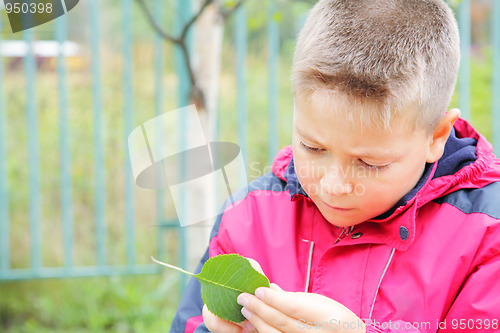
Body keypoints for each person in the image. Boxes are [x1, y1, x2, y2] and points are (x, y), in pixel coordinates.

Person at [170, 0, 500, 332]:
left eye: (371, 163)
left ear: (436, 136)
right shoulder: (248, 219)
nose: (333, 184)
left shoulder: (487, 235)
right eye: (312, 147)